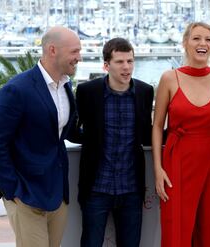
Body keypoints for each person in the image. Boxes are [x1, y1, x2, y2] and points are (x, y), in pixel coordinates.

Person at [0, 26, 81, 247]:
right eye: (74, 51)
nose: (79, 57)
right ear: (52, 50)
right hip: (26, 194)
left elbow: (67, 131)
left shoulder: (66, 87)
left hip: (57, 193)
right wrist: (13, 191)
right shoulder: (16, 89)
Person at [152, 22, 210, 247]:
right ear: (186, 43)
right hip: (178, 160)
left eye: (208, 39)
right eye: (197, 38)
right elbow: (158, 125)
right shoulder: (170, 78)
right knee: (176, 229)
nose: (203, 44)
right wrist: (158, 170)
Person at [74, 38, 153, 247]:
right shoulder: (87, 92)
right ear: (106, 65)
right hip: (96, 187)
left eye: (130, 61)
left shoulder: (145, 92)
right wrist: (92, 139)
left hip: (131, 189)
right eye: (120, 62)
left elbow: (146, 134)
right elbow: (73, 130)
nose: (126, 67)